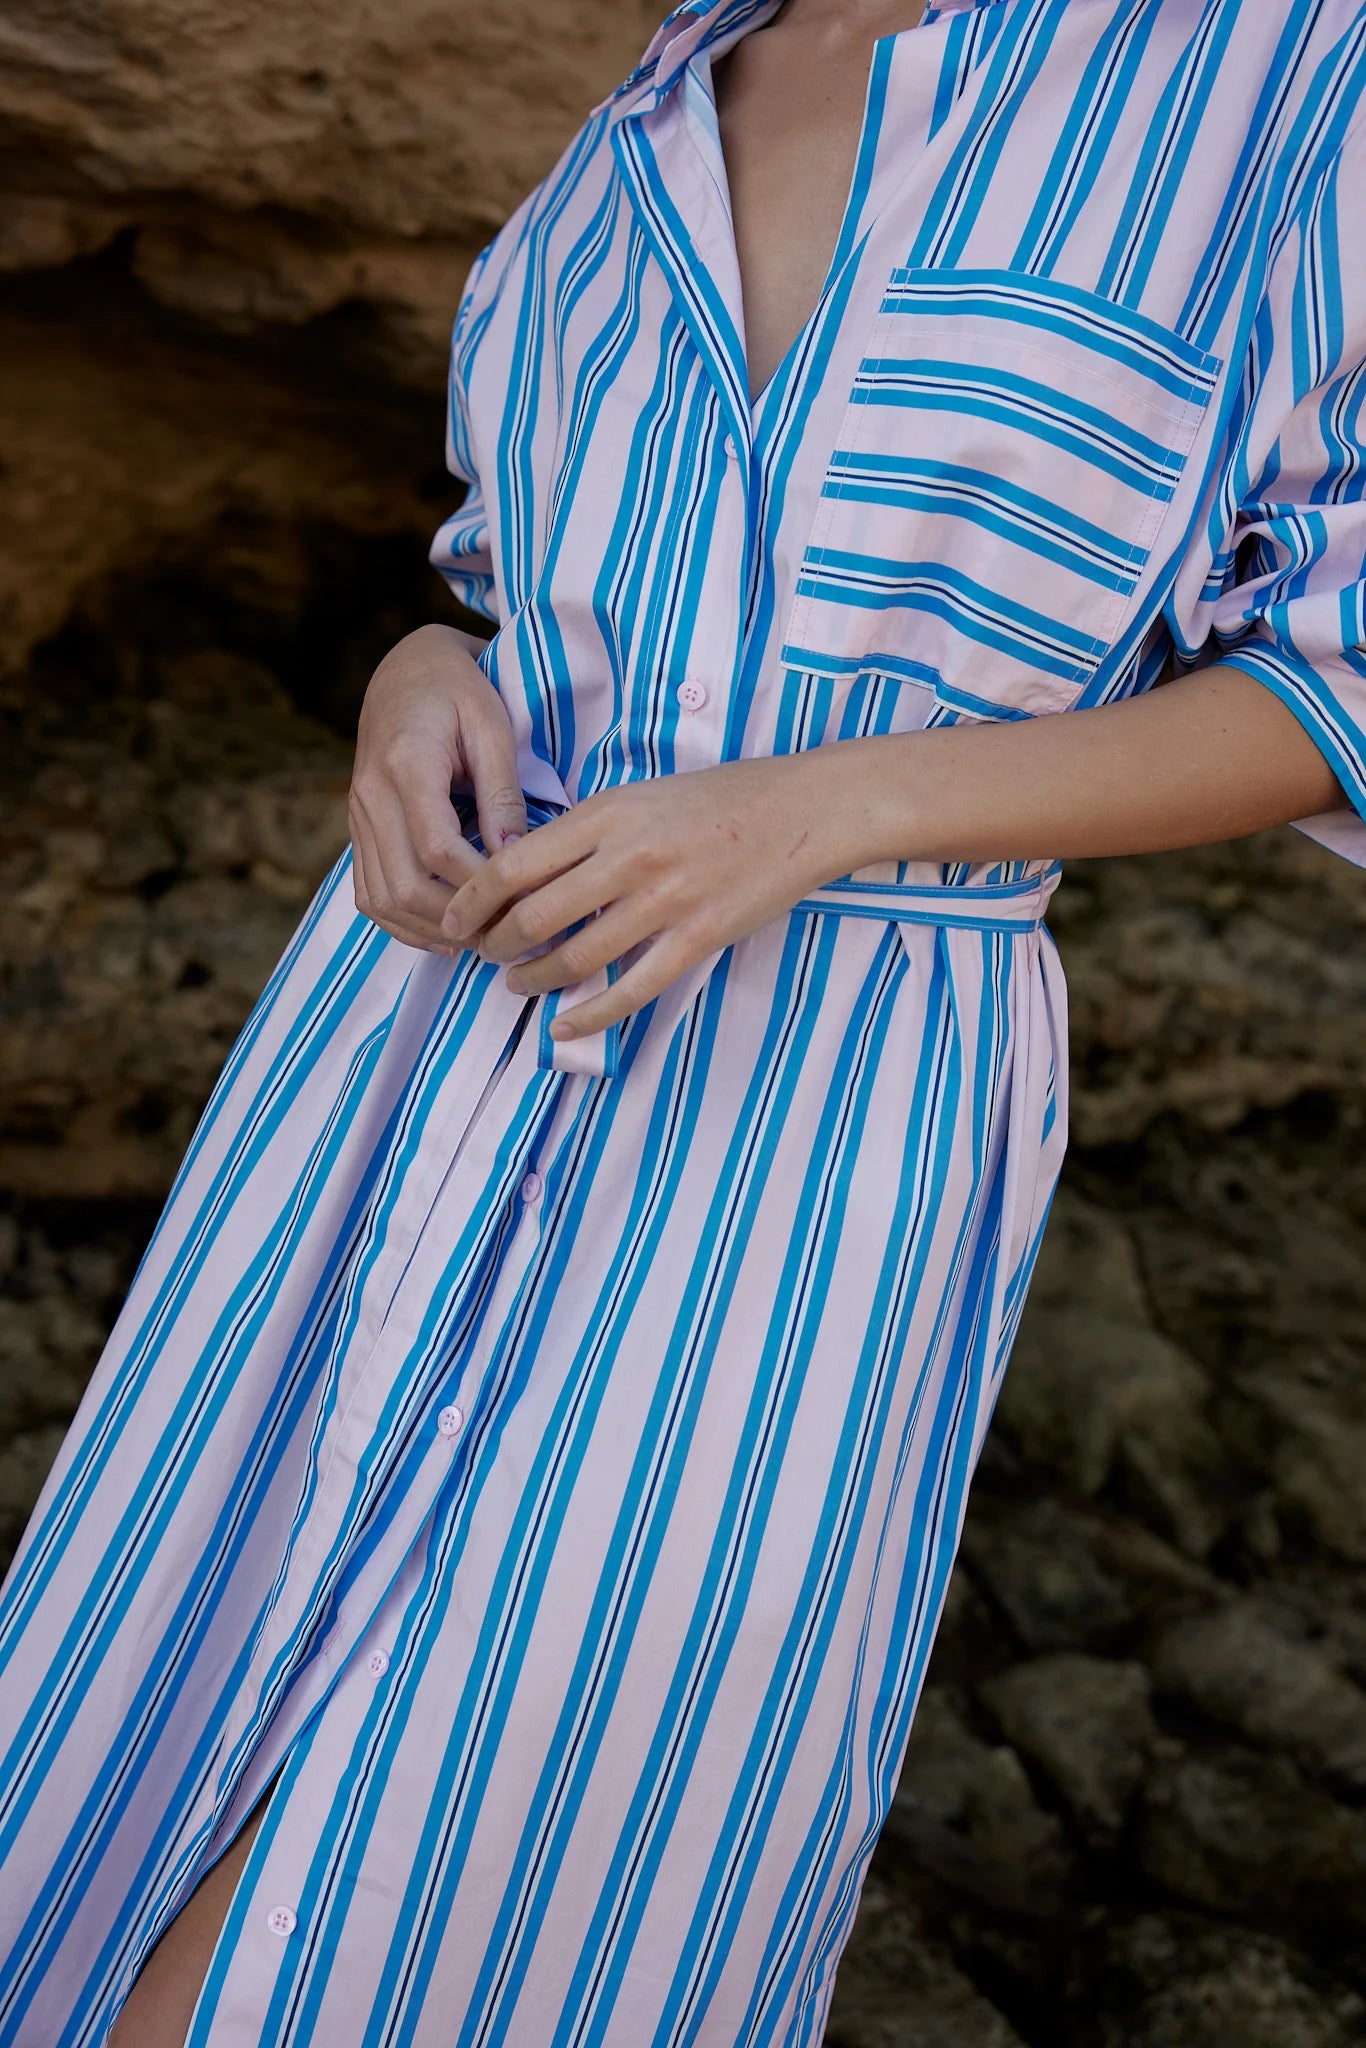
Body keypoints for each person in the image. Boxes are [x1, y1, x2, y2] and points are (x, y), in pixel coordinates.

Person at [2, 0, 1363, 2041]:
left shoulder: (1272, 70)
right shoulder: (641, 110)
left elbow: (1334, 678)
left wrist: (839, 804)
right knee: (158, 1736)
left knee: (495, 1862)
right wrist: (405, 682)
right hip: (404, 1062)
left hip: (814, 1122)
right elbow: (500, 581)